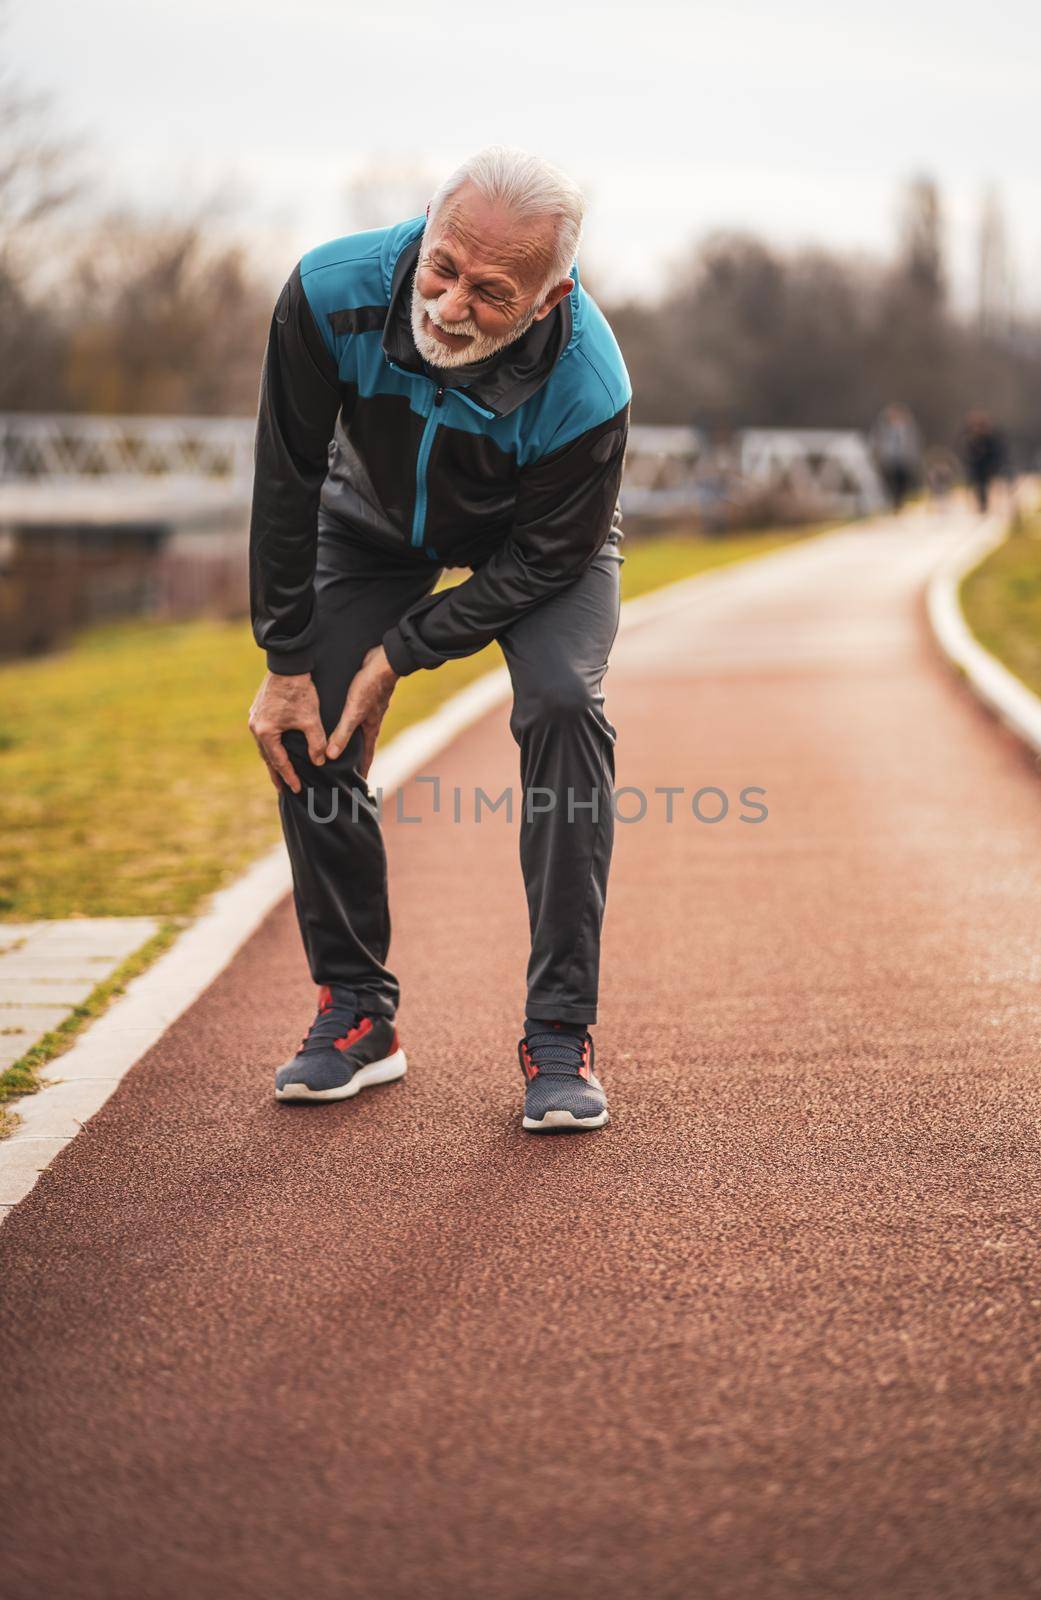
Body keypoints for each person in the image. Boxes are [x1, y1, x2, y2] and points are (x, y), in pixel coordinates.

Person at [247, 147, 630, 1132]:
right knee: (309, 718)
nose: (451, 305)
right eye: (441, 268)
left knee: (560, 703)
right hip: (370, 517)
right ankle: (356, 1010)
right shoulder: (328, 293)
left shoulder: (588, 382)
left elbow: (547, 564)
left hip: (537, 542)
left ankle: (558, 1034)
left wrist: (402, 649)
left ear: (551, 298)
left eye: (491, 292)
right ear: (424, 227)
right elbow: (286, 477)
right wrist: (287, 658)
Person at [870, 403, 922, 513]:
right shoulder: (883, 429)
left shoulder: (908, 429)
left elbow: (913, 444)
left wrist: (913, 458)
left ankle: (899, 502)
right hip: (889, 459)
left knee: (902, 481)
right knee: (890, 481)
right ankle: (893, 502)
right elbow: (876, 442)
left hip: (904, 459)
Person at [960, 409, 1008, 514]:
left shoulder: (990, 438)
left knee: (985, 485)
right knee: (979, 486)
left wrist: (994, 465)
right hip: (976, 467)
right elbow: (966, 452)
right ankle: (982, 505)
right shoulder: (969, 437)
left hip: (987, 466)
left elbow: (996, 452)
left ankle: (984, 505)